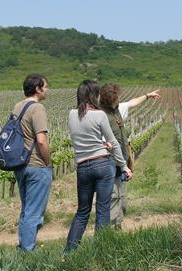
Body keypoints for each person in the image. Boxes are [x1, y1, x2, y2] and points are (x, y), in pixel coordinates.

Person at [65, 80, 133, 252]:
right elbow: (113, 143)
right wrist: (124, 166)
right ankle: (100, 251)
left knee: (82, 212)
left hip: (82, 167)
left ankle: (69, 252)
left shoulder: (72, 114)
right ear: (95, 95)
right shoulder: (100, 115)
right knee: (103, 210)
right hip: (103, 165)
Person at [100, 84, 161, 229]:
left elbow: (132, 102)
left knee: (121, 197)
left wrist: (147, 96)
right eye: (118, 97)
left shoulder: (117, 109)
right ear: (112, 99)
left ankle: (118, 226)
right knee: (113, 197)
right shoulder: (101, 116)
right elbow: (101, 142)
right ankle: (108, 231)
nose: (120, 99)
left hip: (121, 163)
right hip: (109, 163)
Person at [13, 73, 52, 252]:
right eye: (46, 86)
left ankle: (23, 246)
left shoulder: (18, 107)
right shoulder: (38, 109)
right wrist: (48, 162)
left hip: (20, 165)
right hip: (36, 165)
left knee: (26, 209)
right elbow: (41, 140)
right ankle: (28, 252)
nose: (47, 89)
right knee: (34, 212)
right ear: (38, 88)